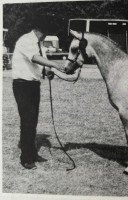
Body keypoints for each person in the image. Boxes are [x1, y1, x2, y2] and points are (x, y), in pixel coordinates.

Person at [12, 14, 62, 169]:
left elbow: (40, 65)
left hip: (33, 85)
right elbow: (34, 58)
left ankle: (32, 153)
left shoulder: (39, 43)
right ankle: (26, 158)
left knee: (32, 122)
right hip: (22, 85)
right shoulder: (26, 40)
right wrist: (55, 64)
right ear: (41, 30)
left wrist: (48, 71)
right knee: (27, 121)